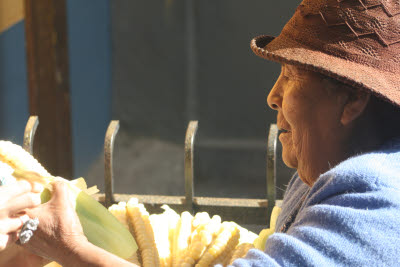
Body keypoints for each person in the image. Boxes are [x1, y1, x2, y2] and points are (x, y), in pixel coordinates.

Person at [14, 0, 400, 265]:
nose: (272, 96)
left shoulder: (374, 205)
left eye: (291, 76)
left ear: (353, 100)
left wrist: (68, 246)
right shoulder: (336, 167)